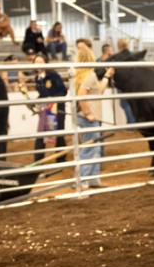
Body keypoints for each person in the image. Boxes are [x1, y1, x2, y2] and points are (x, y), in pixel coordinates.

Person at [25, 53, 67, 162]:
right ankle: (38, 160)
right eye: (36, 62)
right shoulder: (37, 78)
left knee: (58, 134)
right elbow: (43, 94)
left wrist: (52, 98)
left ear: (46, 63)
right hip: (45, 109)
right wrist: (34, 102)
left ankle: (61, 159)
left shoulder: (53, 75)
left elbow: (63, 91)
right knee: (41, 133)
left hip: (57, 109)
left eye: (40, 62)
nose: (38, 64)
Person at [73, 44, 104, 188]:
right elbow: (81, 96)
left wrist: (107, 77)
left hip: (81, 115)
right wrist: (88, 113)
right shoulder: (90, 75)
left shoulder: (78, 75)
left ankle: (93, 179)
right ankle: (83, 180)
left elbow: (96, 92)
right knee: (90, 148)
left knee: (94, 147)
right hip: (88, 117)